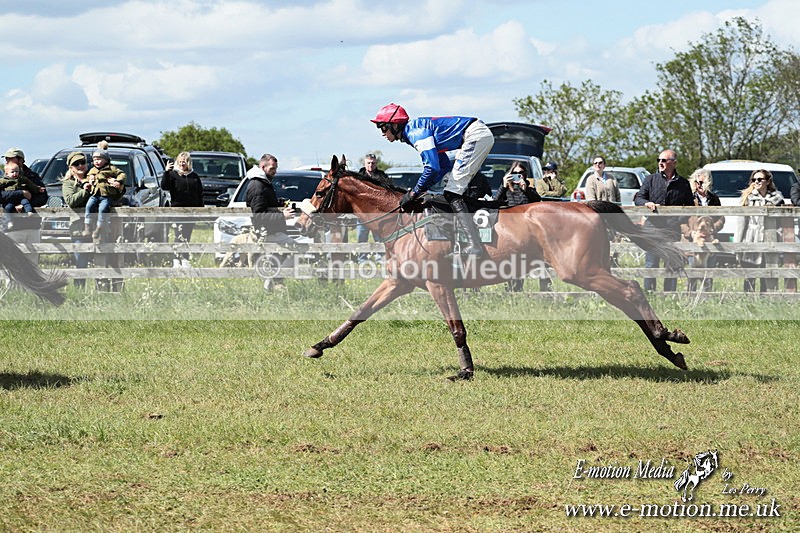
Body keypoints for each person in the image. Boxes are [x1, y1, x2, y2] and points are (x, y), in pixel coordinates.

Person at [371, 103, 494, 257]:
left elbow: (432, 168)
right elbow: (442, 166)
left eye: (383, 128)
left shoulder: (415, 133)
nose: (382, 133)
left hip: (475, 135)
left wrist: (414, 192)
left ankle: (474, 245)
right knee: (451, 192)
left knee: (452, 193)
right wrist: (422, 190)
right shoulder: (414, 131)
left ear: (395, 125)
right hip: (476, 134)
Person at [634, 149, 694, 291]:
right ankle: (649, 294)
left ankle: (670, 294)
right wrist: (646, 203)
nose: (660, 163)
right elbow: (639, 198)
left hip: (672, 230)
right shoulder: (650, 179)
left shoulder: (683, 183)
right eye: (659, 160)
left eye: (664, 160)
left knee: (672, 264)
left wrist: (677, 220)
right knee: (651, 264)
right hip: (652, 229)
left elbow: (689, 206)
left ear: (674, 163)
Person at [245, 154, 298, 288]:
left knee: (278, 258)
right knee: (298, 249)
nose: (275, 171)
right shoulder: (258, 185)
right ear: (263, 167)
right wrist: (282, 216)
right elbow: (259, 214)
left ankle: (272, 281)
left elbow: (265, 205)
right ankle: (277, 277)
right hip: (268, 232)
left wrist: (278, 203)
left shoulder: (263, 182)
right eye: (272, 168)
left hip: (272, 231)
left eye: (276, 168)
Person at [493, 162, 543, 291]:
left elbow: (538, 203)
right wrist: (503, 186)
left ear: (525, 175)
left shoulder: (529, 189)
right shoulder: (505, 189)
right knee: (511, 260)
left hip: (526, 229)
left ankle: (543, 289)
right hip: (510, 229)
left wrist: (525, 190)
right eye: (514, 173)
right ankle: (511, 289)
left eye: (520, 173)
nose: (517, 176)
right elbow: (494, 203)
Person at [735, 169, 784, 292]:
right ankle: (748, 302)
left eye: (760, 179)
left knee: (767, 276)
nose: (756, 182)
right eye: (754, 179)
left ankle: (767, 301)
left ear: (767, 181)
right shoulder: (748, 198)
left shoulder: (777, 199)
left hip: (770, 238)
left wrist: (779, 237)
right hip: (752, 238)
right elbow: (741, 223)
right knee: (750, 276)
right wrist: (738, 245)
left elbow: (782, 221)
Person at [162, 152, 204, 268]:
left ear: (188, 163)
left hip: (191, 210)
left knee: (187, 234)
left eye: (184, 162)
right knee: (178, 234)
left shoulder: (194, 176)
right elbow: (164, 186)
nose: (182, 164)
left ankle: (185, 258)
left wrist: (201, 210)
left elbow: (200, 194)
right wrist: (166, 172)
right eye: (180, 162)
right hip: (177, 209)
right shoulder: (172, 175)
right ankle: (176, 259)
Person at [686, 168, 725, 292]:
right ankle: (690, 300)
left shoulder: (714, 199)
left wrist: (713, 229)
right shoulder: (687, 198)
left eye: (703, 182)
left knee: (708, 275)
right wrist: (689, 232)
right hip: (692, 242)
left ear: (708, 182)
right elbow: (680, 219)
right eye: (697, 182)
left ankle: (707, 299)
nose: (700, 185)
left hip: (709, 241)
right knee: (692, 276)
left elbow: (721, 218)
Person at [60, 151, 93, 288]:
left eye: (82, 163)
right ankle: (79, 292)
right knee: (80, 263)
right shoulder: (68, 184)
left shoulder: (94, 177)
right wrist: (86, 190)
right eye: (76, 164)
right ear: (70, 167)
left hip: (97, 227)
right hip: (78, 229)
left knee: (102, 260)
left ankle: (103, 291)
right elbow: (71, 201)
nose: (80, 166)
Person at [83, 143, 126, 242]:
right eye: (94, 160)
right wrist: (89, 180)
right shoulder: (92, 170)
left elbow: (122, 174)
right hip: (95, 194)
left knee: (102, 209)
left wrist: (117, 181)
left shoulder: (111, 168)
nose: (96, 162)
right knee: (88, 206)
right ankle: (87, 226)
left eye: (99, 159)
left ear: (105, 160)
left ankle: (99, 228)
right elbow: (87, 177)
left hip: (106, 195)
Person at [355, 153, 388, 263]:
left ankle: (380, 258)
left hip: (377, 213)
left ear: (376, 163)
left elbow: (386, 192)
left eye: (373, 163)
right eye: (368, 163)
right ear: (365, 164)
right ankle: (362, 259)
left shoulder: (381, 176)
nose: (371, 165)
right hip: (362, 213)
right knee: (361, 237)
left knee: (378, 237)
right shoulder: (358, 176)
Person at [1, 161, 40, 230]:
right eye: (12, 172)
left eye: (17, 171)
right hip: (10, 199)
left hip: (20, 198)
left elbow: (30, 184)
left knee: (25, 202)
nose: (15, 173)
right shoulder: (4, 180)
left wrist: (37, 189)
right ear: (7, 174)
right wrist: (22, 192)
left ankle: (29, 212)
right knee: (8, 207)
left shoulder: (22, 179)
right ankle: (9, 221)